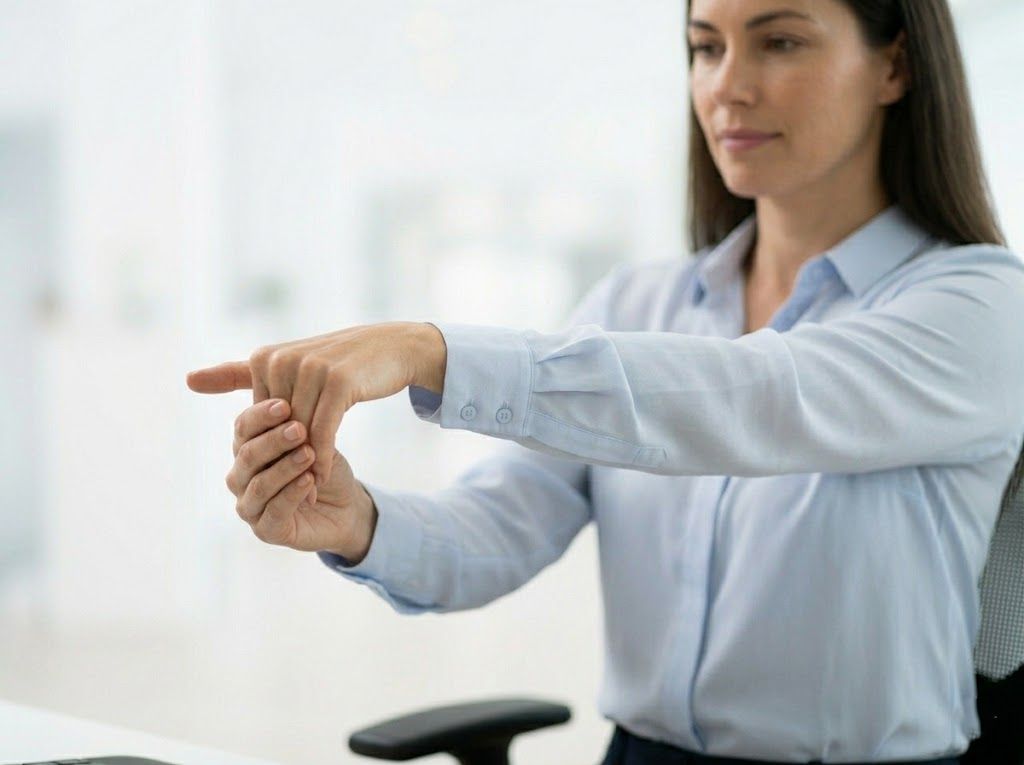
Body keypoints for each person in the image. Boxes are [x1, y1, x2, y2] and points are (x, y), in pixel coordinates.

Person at [186, 1, 1024, 763]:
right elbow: (499, 525)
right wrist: (355, 519)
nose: (726, 86)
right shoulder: (639, 303)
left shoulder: (979, 304)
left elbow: (760, 396)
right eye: (705, 47)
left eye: (779, 41)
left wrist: (433, 350)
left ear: (895, 66)